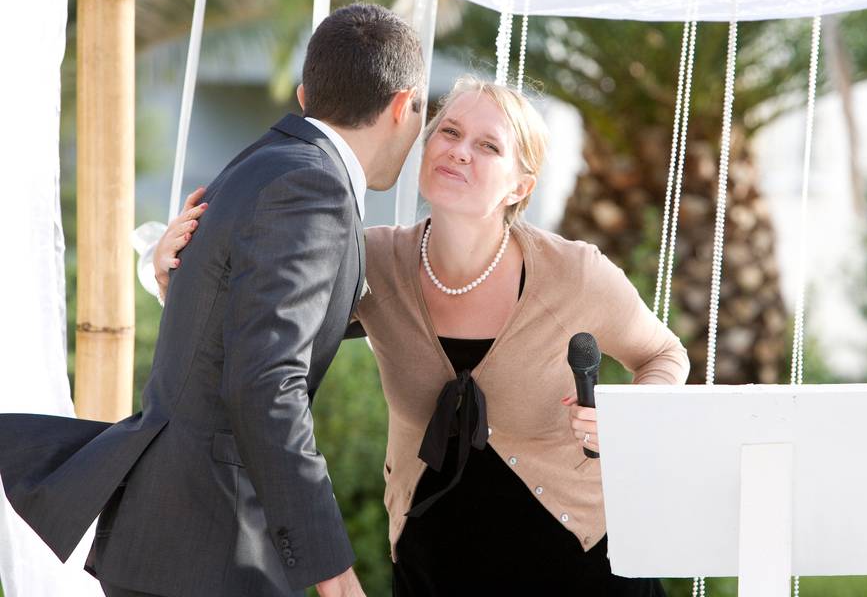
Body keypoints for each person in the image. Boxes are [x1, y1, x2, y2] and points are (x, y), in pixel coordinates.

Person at [155, 76, 690, 596]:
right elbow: (257, 324)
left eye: (487, 145)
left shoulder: (574, 273)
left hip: (580, 564)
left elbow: (664, 354)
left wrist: (632, 414)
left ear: (520, 186)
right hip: (432, 564)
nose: (459, 151)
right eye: (449, 132)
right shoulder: (371, 260)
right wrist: (174, 270)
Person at [0, 3, 424, 597]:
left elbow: (233, 324)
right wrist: (333, 572)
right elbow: (264, 384)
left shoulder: (261, 163)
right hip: (210, 547)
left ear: (306, 94)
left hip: (175, 543)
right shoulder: (313, 186)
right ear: (404, 106)